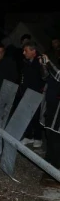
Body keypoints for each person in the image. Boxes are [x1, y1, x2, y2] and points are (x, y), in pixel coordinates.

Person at [38, 54, 60, 188]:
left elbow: (58, 75)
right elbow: (45, 77)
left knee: (57, 143)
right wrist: (43, 65)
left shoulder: (56, 68)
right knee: (50, 140)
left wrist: (49, 61)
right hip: (52, 111)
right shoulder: (56, 65)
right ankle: (50, 169)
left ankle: (56, 174)